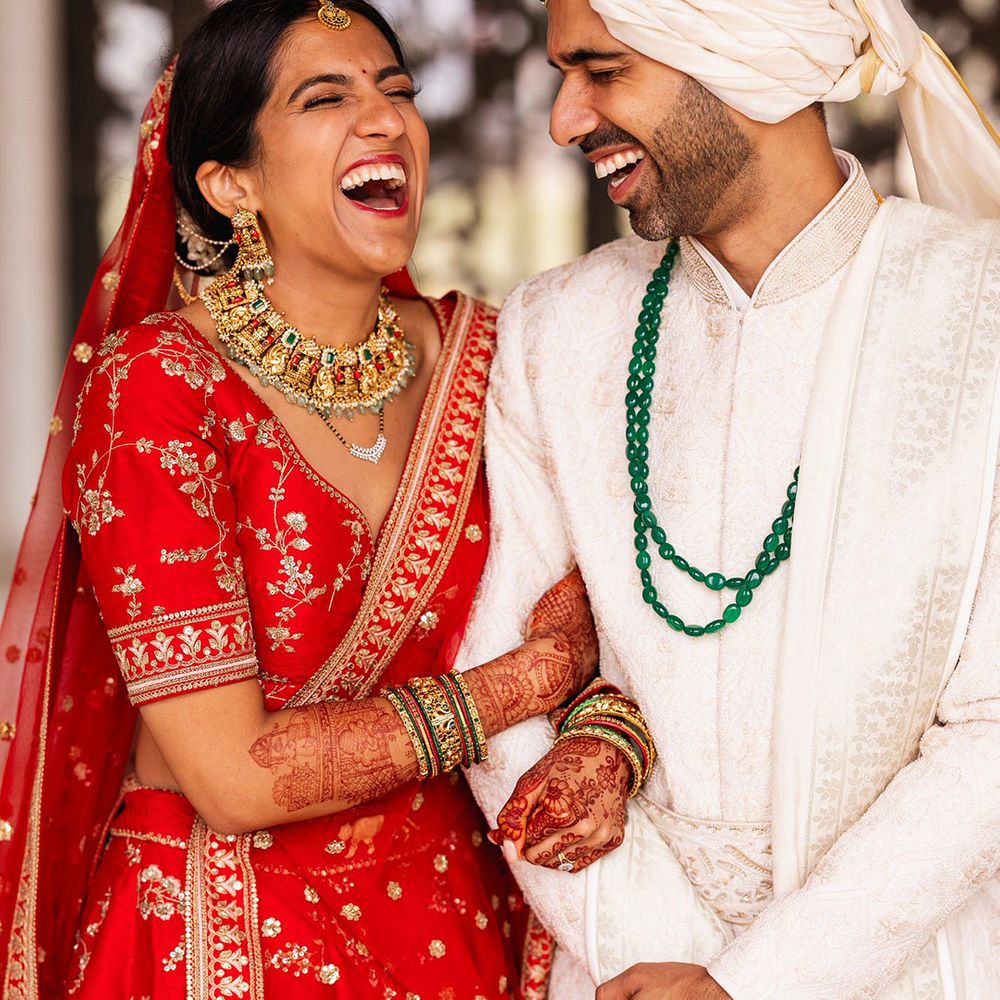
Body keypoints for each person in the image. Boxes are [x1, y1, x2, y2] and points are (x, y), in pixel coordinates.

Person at [0, 2, 607, 996]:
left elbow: (614, 606)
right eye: (326, 98)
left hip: (456, 926)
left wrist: (603, 730)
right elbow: (237, 777)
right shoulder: (156, 388)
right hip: (219, 935)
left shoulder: (492, 358)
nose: (385, 120)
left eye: (397, 91)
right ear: (229, 182)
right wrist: (530, 681)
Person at [454, 0, 1000, 997]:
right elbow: (495, 682)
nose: (563, 120)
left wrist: (754, 982)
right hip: (622, 969)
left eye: (601, 70)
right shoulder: (557, 329)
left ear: (740, 57)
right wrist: (650, 954)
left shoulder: (979, 309)